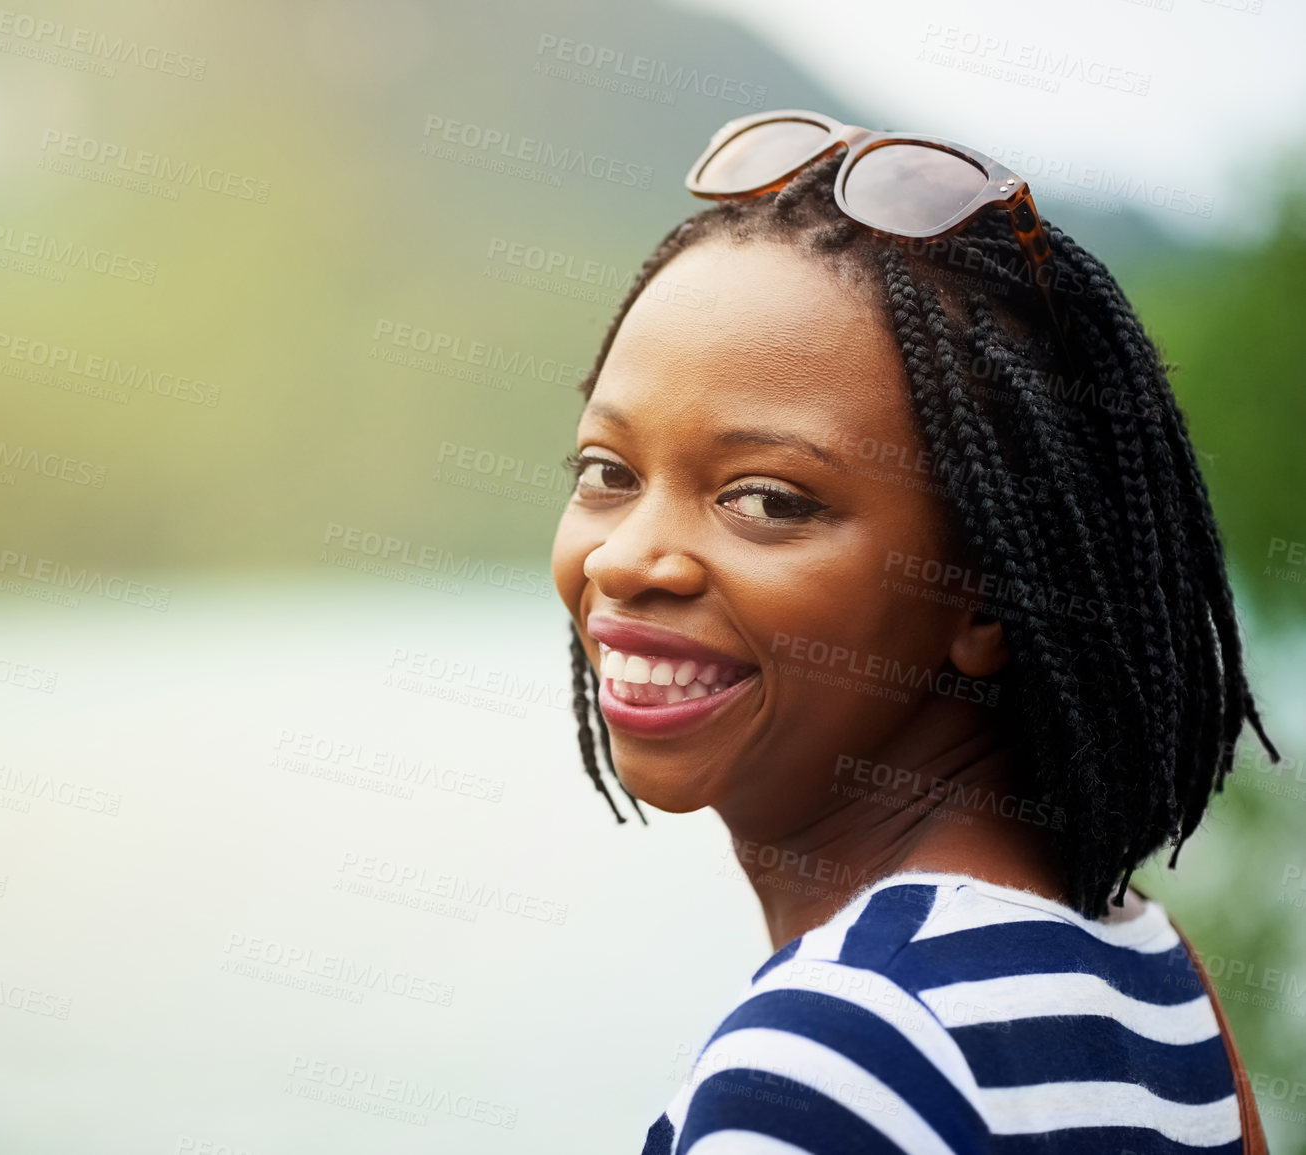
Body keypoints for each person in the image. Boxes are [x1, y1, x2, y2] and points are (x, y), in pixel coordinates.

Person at [548, 110, 1278, 1154]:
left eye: (766, 499)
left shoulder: (827, 1059)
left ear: (983, 595)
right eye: (606, 474)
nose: (626, 559)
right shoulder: (1151, 967)